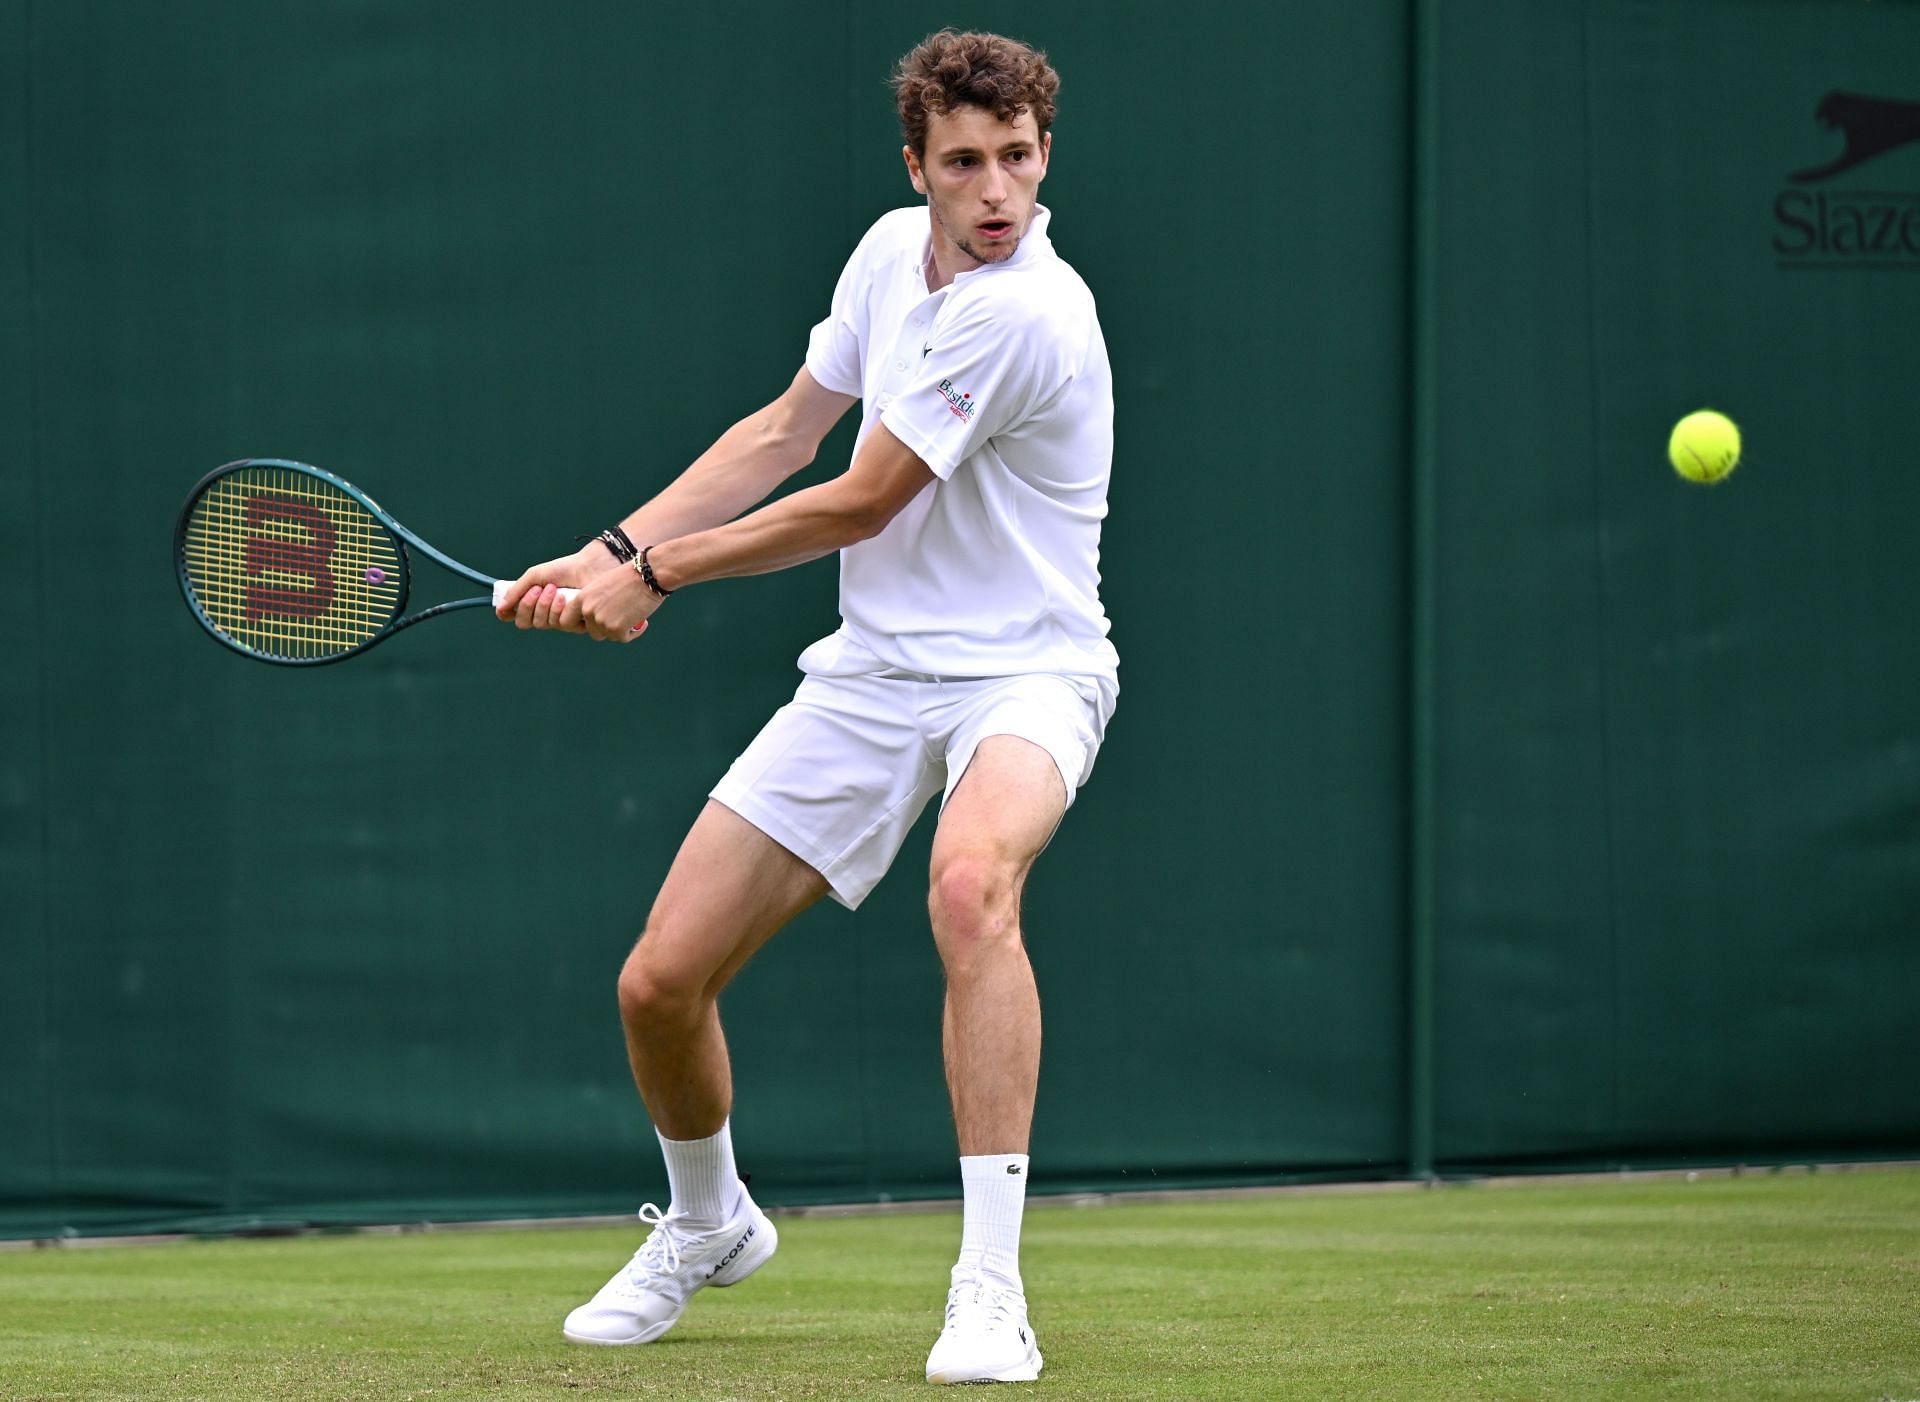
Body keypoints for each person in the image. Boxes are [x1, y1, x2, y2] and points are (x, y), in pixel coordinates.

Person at [496, 29, 1116, 1386]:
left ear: (1044, 154)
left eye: (1019, 158)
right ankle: (710, 1220)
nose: (998, 190)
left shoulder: (1028, 310)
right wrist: (610, 548)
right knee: (660, 982)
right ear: (920, 167)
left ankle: (991, 1288)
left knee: (971, 889)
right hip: (876, 673)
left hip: (1029, 668)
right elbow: (785, 432)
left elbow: (859, 498)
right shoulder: (889, 257)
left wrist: (652, 574)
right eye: (966, 163)